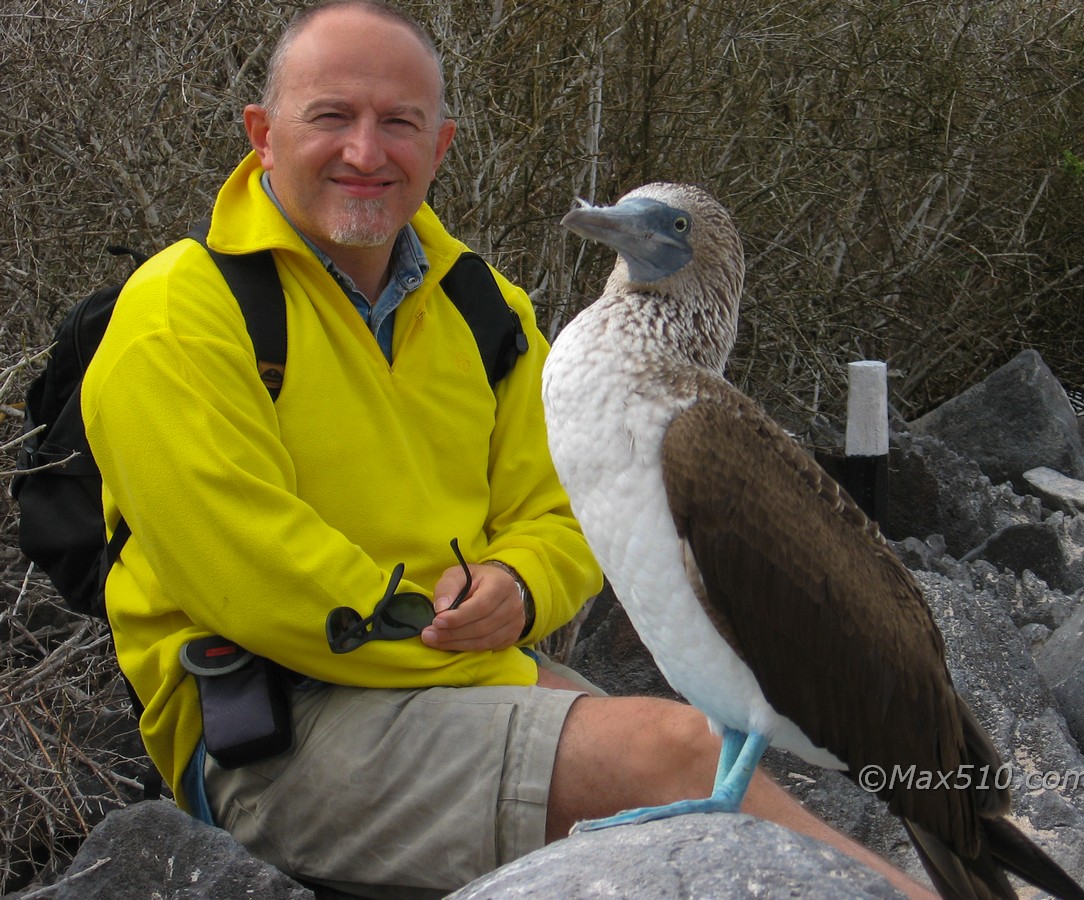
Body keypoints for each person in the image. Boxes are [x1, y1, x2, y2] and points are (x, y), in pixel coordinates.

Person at [81, 2, 934, 897]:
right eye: (331, 116)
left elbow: (561, 514)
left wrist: (518, 585)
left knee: (710, 772)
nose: (365, 152)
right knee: (677, 754)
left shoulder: (484, 311)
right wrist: (480, 649)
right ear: (263, 134)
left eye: (399, 123)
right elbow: (253, 578)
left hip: (456, 680)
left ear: (440, 147)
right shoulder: (178, 314)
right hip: (271, 730)